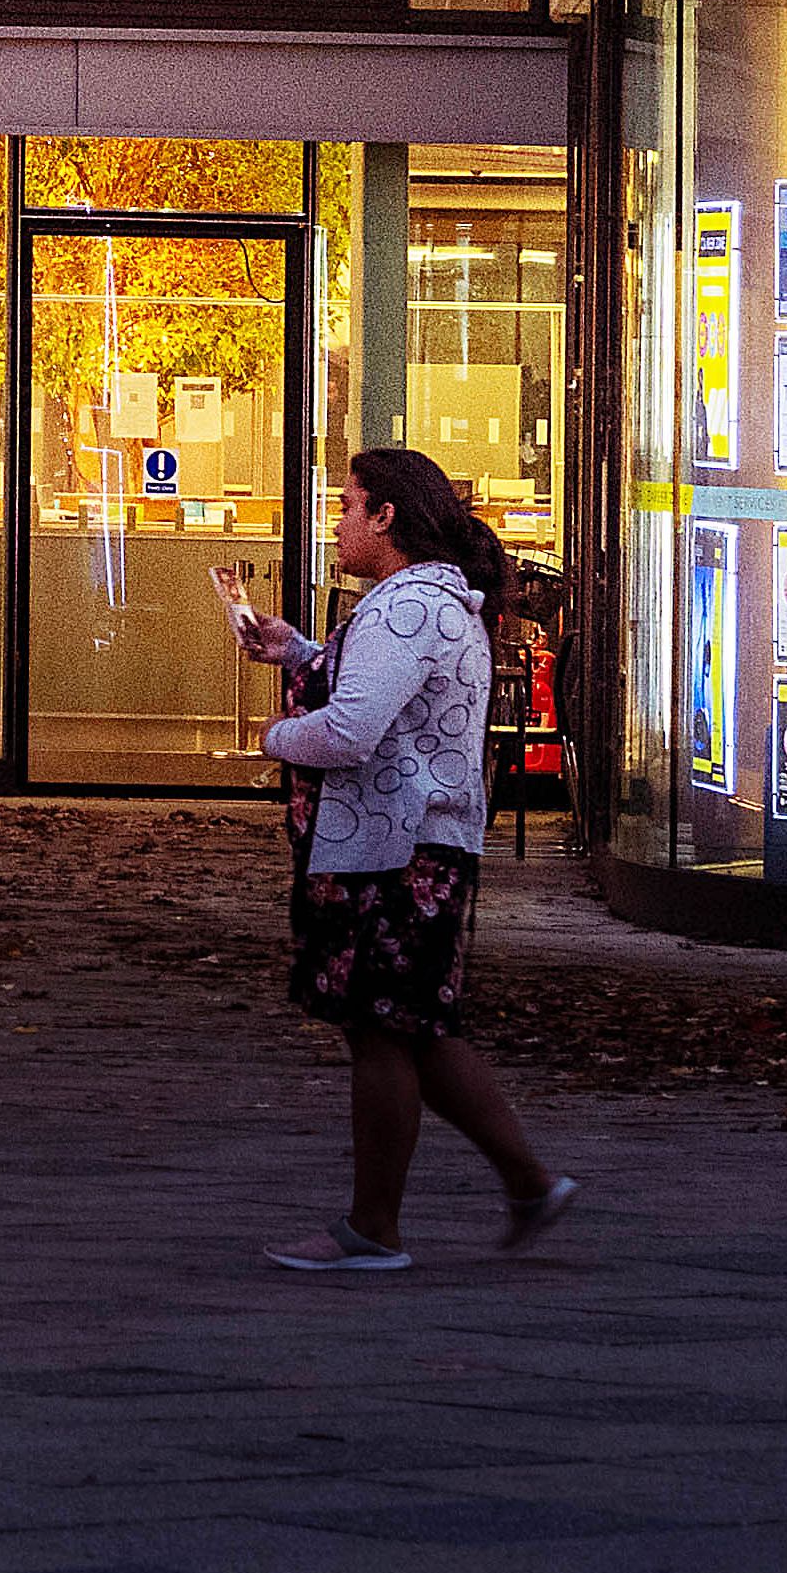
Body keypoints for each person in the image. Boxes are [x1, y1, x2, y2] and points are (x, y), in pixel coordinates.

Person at [236, 442, 574, 1274]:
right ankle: (527, 1184)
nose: (337, 523)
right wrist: (301, 653)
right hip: (419, 846)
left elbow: (351, 731)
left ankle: (374, 1227)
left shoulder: (406, 609)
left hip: (389, 852)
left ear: (386, 516)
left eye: (347, 505)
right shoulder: (426, 604)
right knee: (417, 1029)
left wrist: (274, 738)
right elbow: (383, 696)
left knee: (381, 1031)